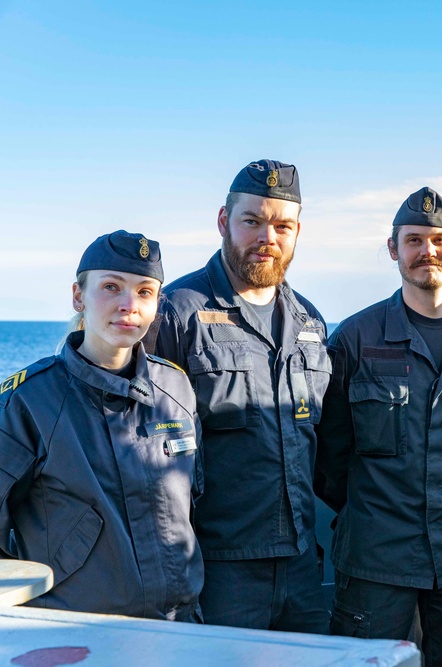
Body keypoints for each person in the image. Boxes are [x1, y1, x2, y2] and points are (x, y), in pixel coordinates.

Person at [317, 187, 442, 666]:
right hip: (376, 560)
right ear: (393, 249)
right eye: (414, 240)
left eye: (440, 240)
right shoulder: (355, 340)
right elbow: (328, 455)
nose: (428, 251)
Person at [153, 160, 332, 632]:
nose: (266, 236)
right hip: (217, 566)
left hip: (300, 563)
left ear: (297, 233)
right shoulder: (177, 312)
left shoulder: (310, 323)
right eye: (251, 220)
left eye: (282, 225)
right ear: (223, 222)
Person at [0, 231, 203, 620]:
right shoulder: (30, 400)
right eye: (111, 287)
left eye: (145, 292)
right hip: (77, 627)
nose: (129, 305)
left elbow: (192, 503)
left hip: (179, 625)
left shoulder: (176, 389)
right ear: (79, 296)